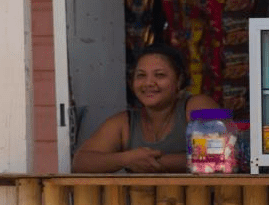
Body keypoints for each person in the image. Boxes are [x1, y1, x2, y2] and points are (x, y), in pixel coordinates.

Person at [72, 44, 219, 173]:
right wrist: (126, 159)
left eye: (160, 75)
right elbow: (80, 162)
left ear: (179, 80)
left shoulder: (200, 104)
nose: (148, 83)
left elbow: (219, 156)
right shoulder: (125, 122)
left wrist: (152, 162)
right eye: (141, 75)